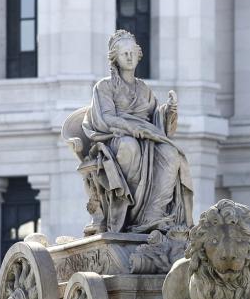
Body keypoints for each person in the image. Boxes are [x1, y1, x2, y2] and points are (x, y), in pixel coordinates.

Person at [82, 29, 194, 233]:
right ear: (114, 57)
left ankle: (152, 214)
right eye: (124, 53)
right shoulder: (104, 87)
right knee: (129, 147)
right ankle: (128, 212)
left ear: (139, 54)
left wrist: (169, 111)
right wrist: (132, 128)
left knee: (171, 153)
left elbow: (156, 121)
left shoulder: (144, 89)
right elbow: (106, 118)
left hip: (147, 139)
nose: (129, 56)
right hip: (115, 138)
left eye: (132, 52)